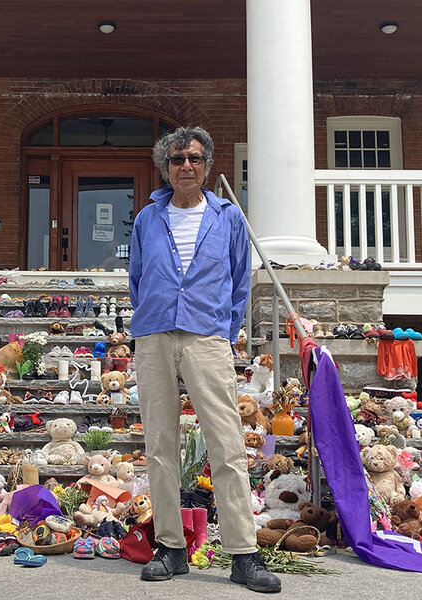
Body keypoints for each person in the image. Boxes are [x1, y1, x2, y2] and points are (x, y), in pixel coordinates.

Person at [128, 126, 281, 593]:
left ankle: (242, 554)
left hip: (206, 337)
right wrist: (151, 317)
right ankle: (171, 548)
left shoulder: (228, 217)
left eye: (194, 158)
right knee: (159, 444)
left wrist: (225, 328)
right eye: (177, 160)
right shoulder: (146, 219)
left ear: (208, 165)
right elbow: (137, 277)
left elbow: (239, 280)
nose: (186, 166)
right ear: (166, 167)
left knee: (226, 444)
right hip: (154, 335)